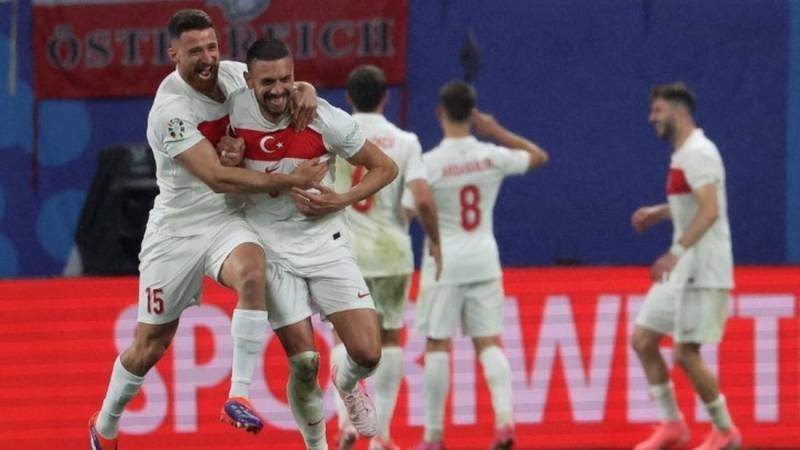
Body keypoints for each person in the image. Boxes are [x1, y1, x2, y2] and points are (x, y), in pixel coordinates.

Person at [88, 10, 326, 450]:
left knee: (252, 271)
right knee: (151, 345)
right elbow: (216, 177)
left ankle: (239, 395)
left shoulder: (235, 75)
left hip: (226, 220)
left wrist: (305, 89)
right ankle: (106, 423)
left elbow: (276, 91)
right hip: (177, 231)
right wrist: (291, 179)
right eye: (195, 50)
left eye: (212, 47)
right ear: (174, 54)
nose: (208, 58)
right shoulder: (170, 111)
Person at [223, 38, 398, 450]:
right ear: (248, 81)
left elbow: (385, 167)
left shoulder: (322, 117)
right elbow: (211, 152)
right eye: (268, 82)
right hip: (271, 249)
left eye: (286, 79)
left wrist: (342, 199)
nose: (279, 89)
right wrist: (226, 153)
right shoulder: (231, 111)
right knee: (304, 363)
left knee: (368, 353)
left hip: (325, 242)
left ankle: (347, 382)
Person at [411, 81, 548, 450]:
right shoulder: (490, 155)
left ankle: (433, 436)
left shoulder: (429, 163)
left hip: (444, 263)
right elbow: (538, 156)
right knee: (488, 342)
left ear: (439, 113)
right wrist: (496, 131)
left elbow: (411, 208)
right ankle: (504, 421)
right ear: (473, 115)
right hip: (484, 259)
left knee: (437, 344)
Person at [330, 65, 442, 450]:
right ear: (385, 97)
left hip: (344, 253)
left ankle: (347, 422)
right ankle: (381, 434)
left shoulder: (334, 138)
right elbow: (422, 199)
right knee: (391, 337)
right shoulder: (405, 141)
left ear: (348, 97)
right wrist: (435, 241)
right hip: (391, 254)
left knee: (341, 335)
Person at [630, 82, 740, 450]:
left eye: (657, 111)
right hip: (682, 269)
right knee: (643, 340)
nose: (652, 118)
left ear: (678, 111)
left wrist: (674, 252)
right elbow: (692, 203)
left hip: (702, 268)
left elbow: (710, 211)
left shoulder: (699, 153)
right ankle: (672, 425)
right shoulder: (683, 154)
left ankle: (725, 431)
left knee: (685, 354)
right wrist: (659, 213)